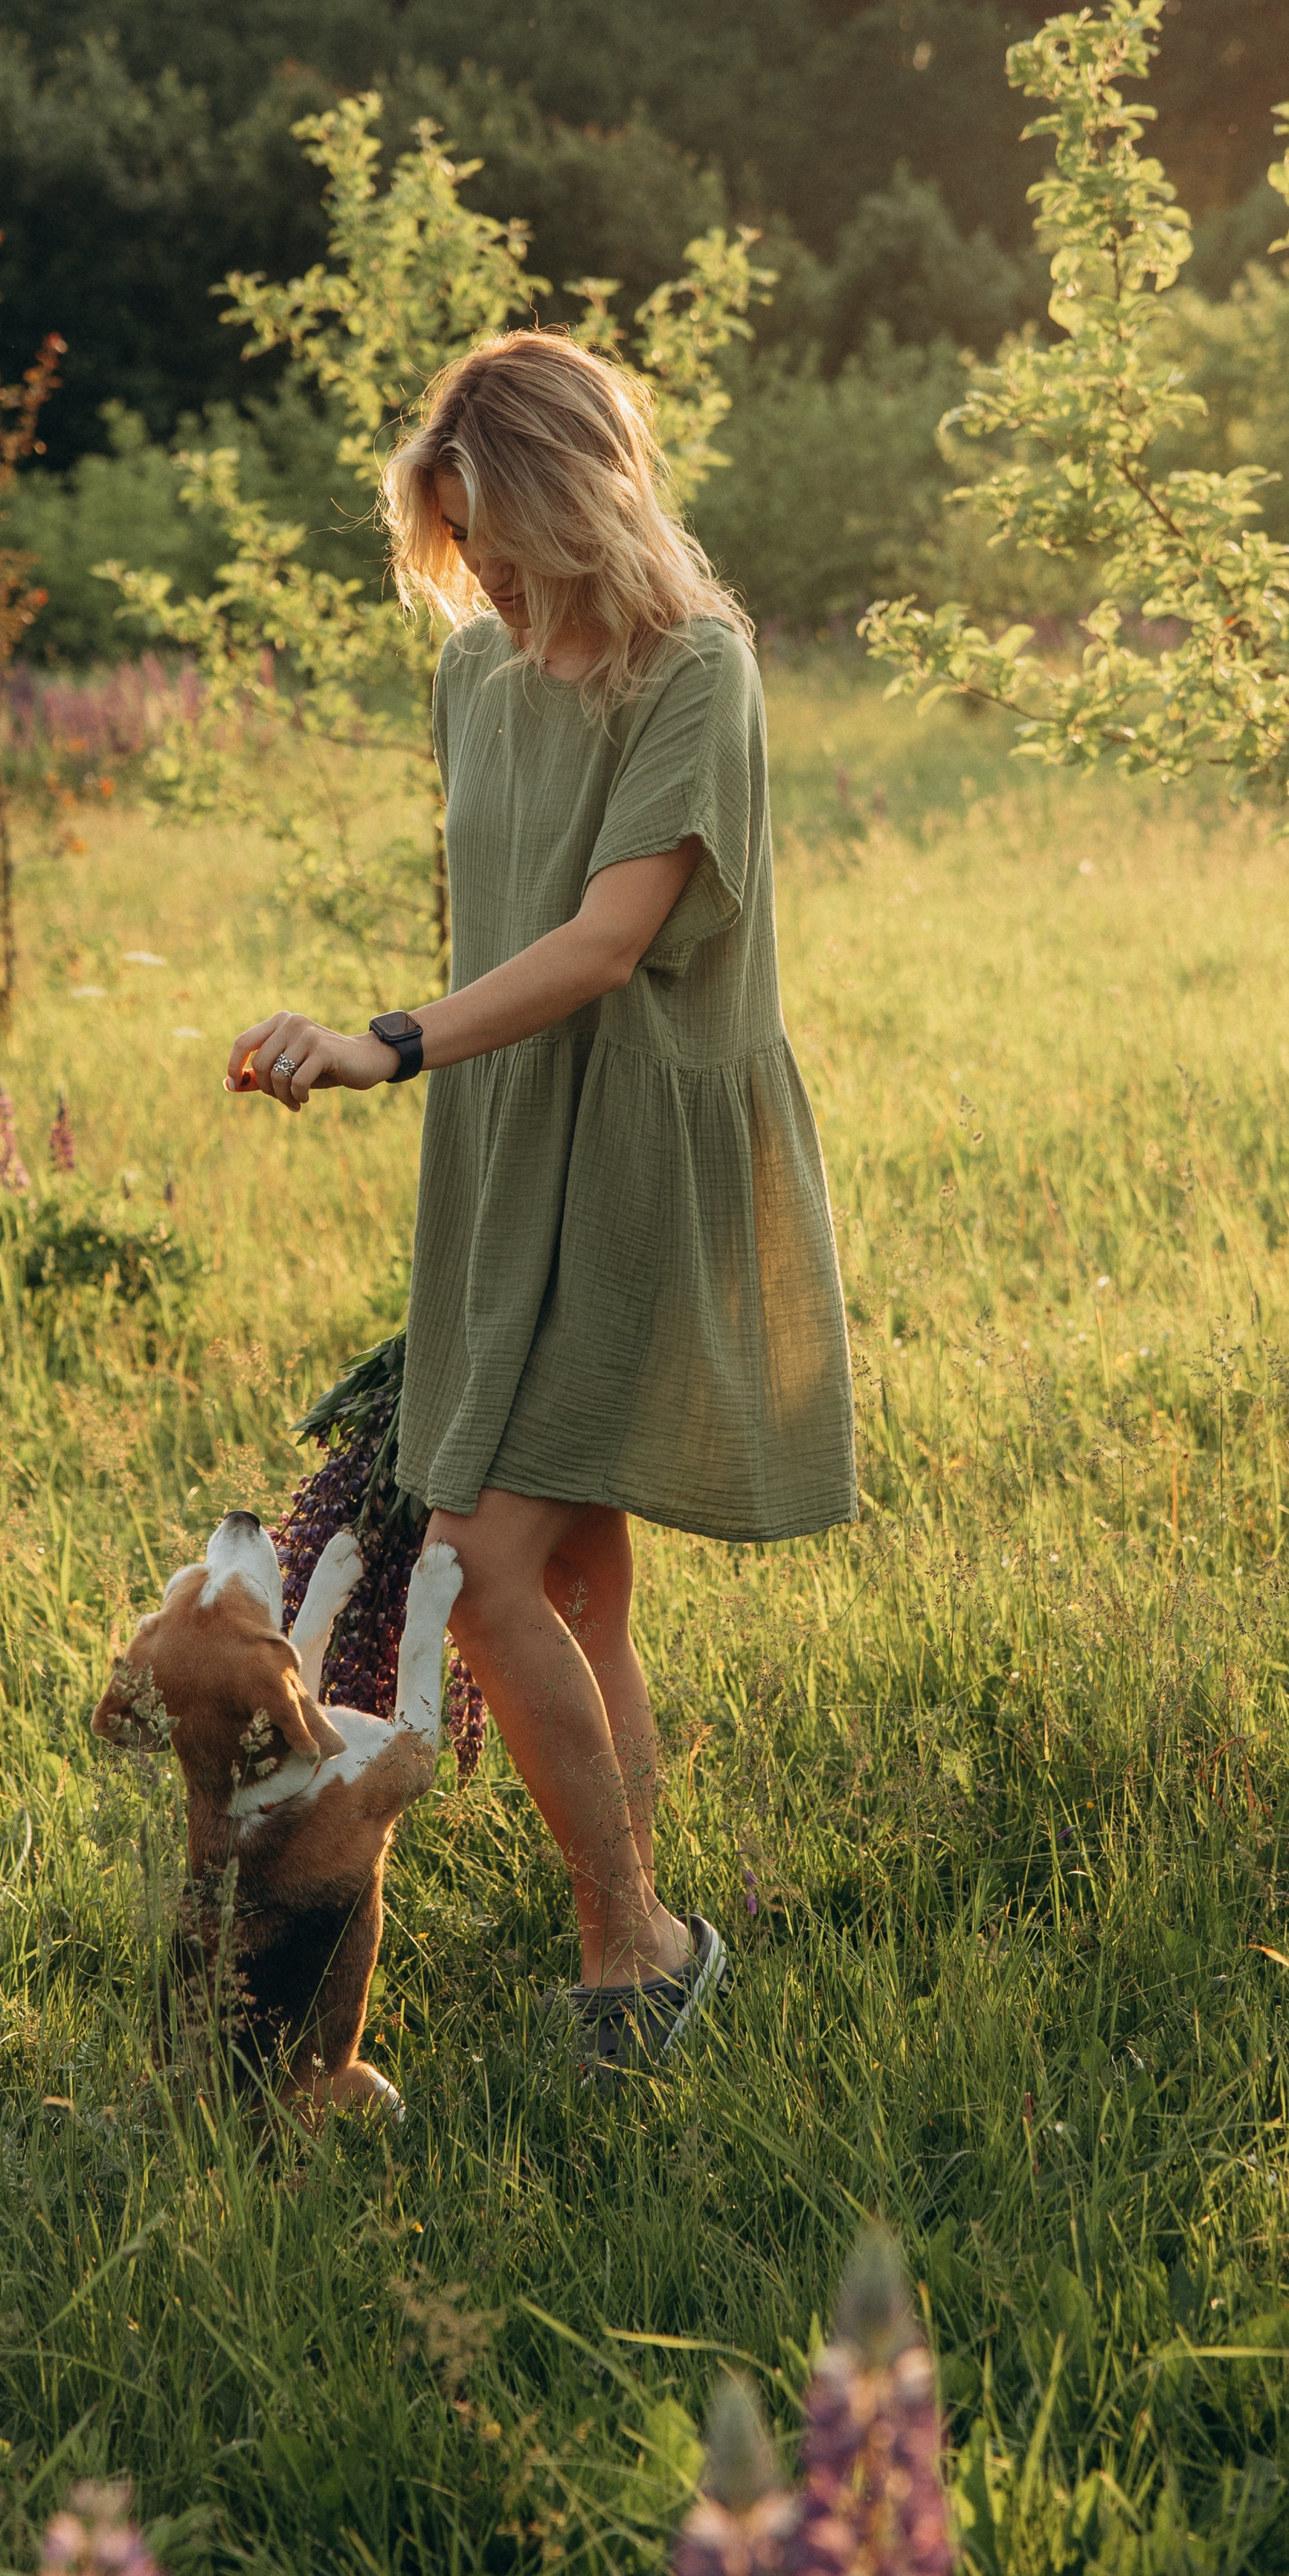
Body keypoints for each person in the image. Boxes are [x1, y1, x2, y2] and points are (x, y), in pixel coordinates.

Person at [224, 329, 857, 2073]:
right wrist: (412, 1059)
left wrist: (380, 1044)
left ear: (585, 502)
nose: (482, 583)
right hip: (506, 1144)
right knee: (571, 1578)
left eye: (501, 546)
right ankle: (635, 1916)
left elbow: (600, 943)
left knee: (477, 1559)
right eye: (456, 554)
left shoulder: (693, 670)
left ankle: (631, 1944)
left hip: (647, 1152)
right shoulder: (475, 677)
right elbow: (500, 918)